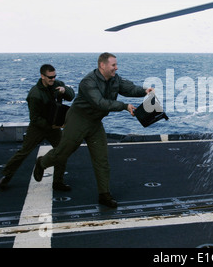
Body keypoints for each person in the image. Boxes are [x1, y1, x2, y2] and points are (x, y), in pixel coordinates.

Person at [33, 52, 153, 208]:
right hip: (78, 119)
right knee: (62, 153)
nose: (116, 68)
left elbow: (128, 88)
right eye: (113, 65)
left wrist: (145, 91)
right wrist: (124, 106)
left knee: (101, 159)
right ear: (102, 65)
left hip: (95, 122)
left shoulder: (114, 79)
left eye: (116, 65)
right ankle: (42, 163)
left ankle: (104, 194)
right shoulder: (88, 82)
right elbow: (100, 103)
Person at [0, 64, 75, 191]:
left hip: (54, 127)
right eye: (50, 77)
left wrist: (64, 90)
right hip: (38, 128)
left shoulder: (57, 84)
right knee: (24, 152)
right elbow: (35, 118)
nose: (53, 79)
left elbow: (71, 96)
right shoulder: (34, 94)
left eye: (54, 76)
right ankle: (7, 175)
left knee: (62, 151)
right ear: (42, 76)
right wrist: (51, 126)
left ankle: (58, 181)